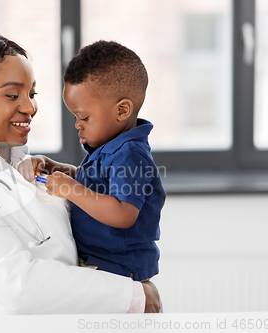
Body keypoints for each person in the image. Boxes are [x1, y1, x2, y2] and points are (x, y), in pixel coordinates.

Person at [0, 32, 160, 316]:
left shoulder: (28, 167)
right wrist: (133, 296)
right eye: (12, 95)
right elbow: (19, 285)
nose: (30, 108)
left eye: (32, 94)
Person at [17, 41, 165, 282]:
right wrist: (54, 167)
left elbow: (122, 213)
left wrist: (70, 189)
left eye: (84, 117)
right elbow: (96, 185)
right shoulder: (110, 147)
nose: (77, 124)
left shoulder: (131, 155)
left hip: (120, 271)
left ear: (122, 110)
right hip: (100, 265)